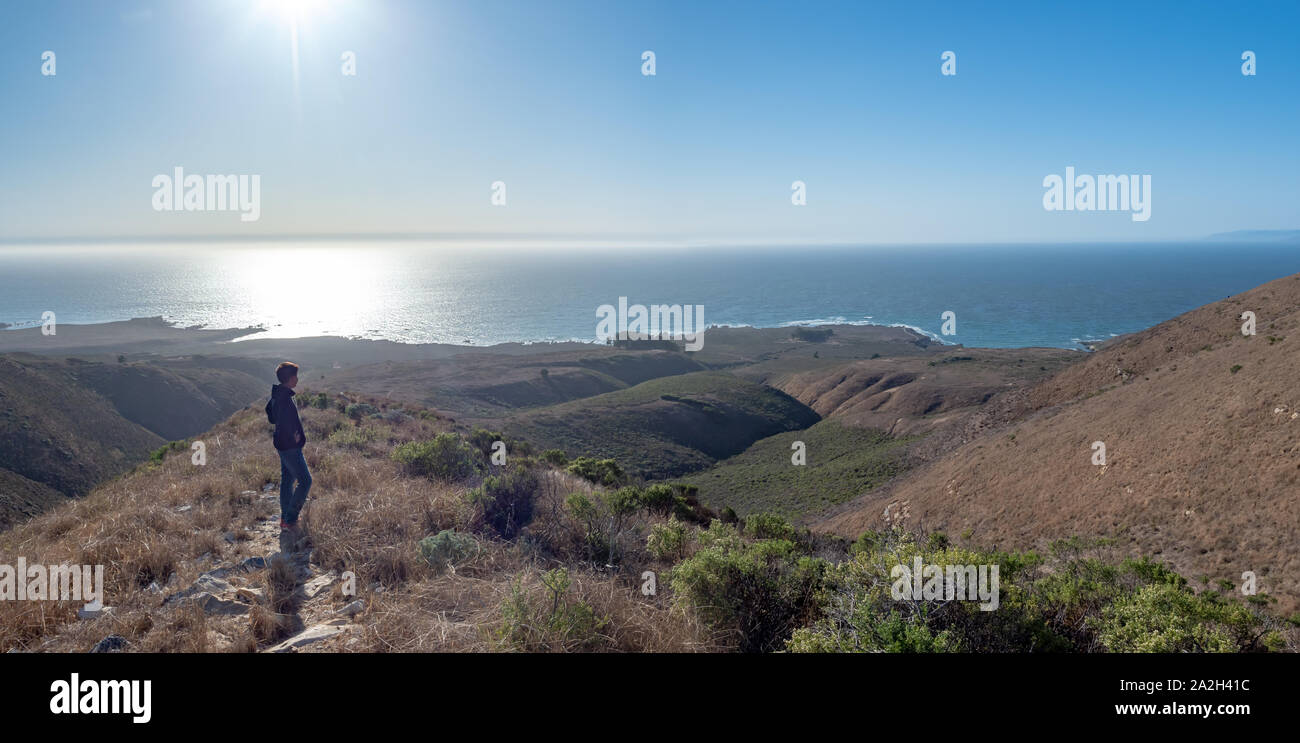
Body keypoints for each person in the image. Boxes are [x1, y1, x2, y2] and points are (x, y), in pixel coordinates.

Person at [267, 361, 311, 531]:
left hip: (281, 443)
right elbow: (284, 420)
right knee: (306, 481)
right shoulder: (284, 398)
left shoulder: (277, 394)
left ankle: (285, 518)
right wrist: (294, 435)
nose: (298, 379)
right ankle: (291, 519)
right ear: (290, 378)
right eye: (296, 376)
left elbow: (271, 416)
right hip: (289, 446)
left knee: (287, 480)